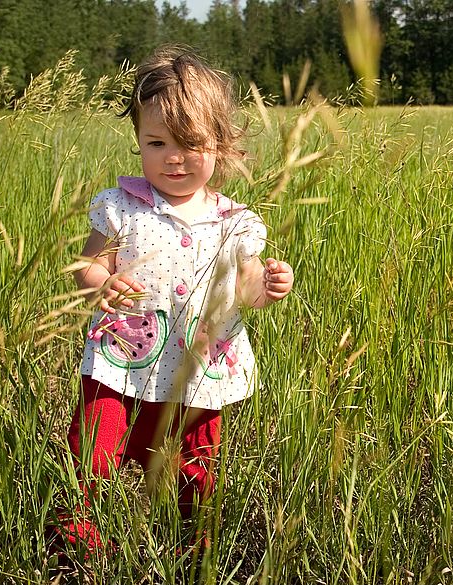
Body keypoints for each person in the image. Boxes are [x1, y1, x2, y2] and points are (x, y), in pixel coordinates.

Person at [55, 45, 293, 555]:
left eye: (190, 143)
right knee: (93, 454)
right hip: (122, 359)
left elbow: (245, 288)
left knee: (196, 468)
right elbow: (88, 263)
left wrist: (267, 287)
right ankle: (79, 551)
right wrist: (101, 283)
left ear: (223, 145)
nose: (173, 157)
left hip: (199, 363)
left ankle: (193, 552)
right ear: (138, 141)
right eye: (156, 142)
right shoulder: (120, 206)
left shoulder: (236, 223)